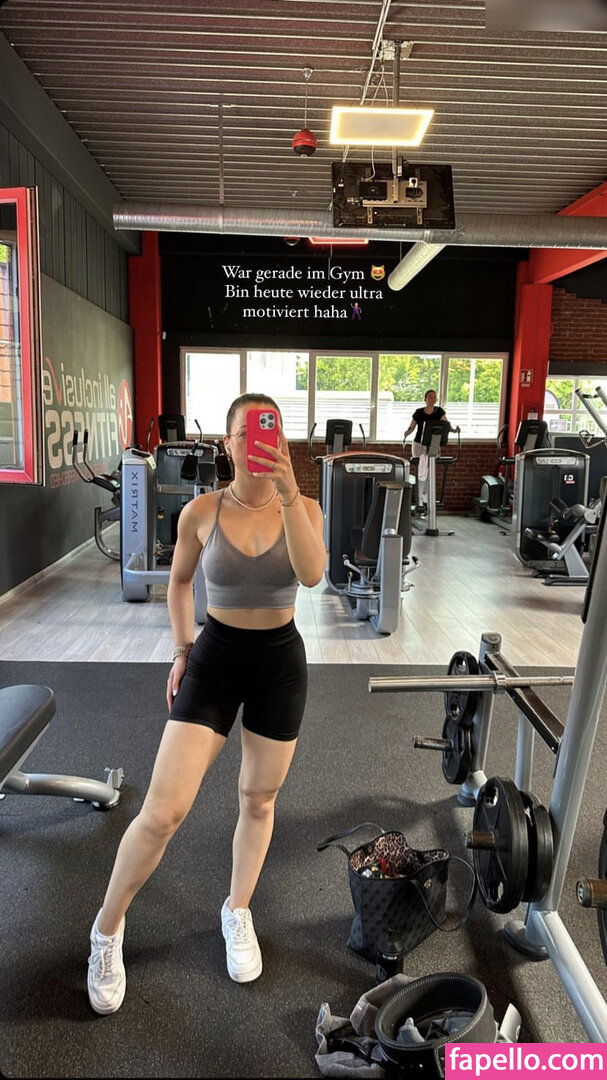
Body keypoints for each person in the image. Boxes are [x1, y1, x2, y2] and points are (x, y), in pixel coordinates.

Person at [86, 393, 326, 1014]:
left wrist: (290, 491)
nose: (261, 441)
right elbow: (179, 582)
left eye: (271, 430)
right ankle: (105, 930)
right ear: (228, 444)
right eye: (248, 432)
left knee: (259, 798)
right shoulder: (201, 511)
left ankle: (237, 909)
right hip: (215, 659)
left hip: (279, 664)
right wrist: (180, 648)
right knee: (163, 810)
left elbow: (310, 575)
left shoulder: (306, 508)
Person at [403, 389, 450, 514]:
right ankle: (419, 501)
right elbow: (412, 426)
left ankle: (427, 499)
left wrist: (454, 430)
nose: (432, 399)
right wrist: (407, 433)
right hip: (419, 444)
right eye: (430, 397)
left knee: (429, 472)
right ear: (425, 399)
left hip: (433, 444)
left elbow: (446, 425)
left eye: (434, 397)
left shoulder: (439, 412)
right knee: (420, 471)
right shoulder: (419, 412)